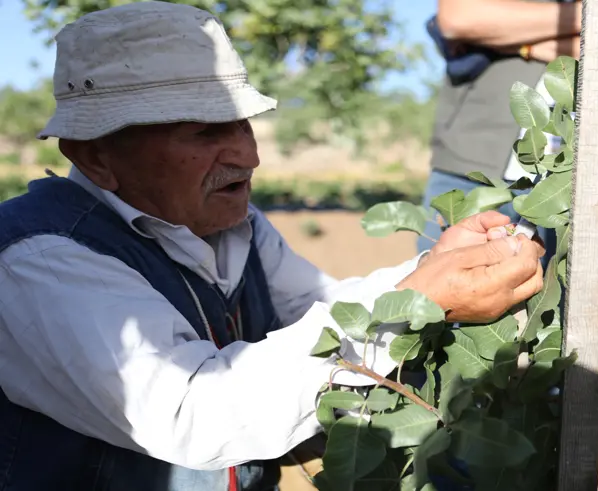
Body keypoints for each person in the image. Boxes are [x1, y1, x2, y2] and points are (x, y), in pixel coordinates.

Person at [0, 3, 545, 490]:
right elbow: (193, 414)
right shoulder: (42, 259)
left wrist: (436, 268)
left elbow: (316, 306)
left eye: (243, 124)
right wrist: (423, 303)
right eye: (204, 133)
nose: (247, 155)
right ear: (95, 157)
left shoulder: (234, 224)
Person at [417, 0, 598, 255]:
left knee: (565, 299)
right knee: (443, 294)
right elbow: (459, 17)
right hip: (468, 164)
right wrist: (596, 15)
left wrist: (521, 44)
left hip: (589, 175)